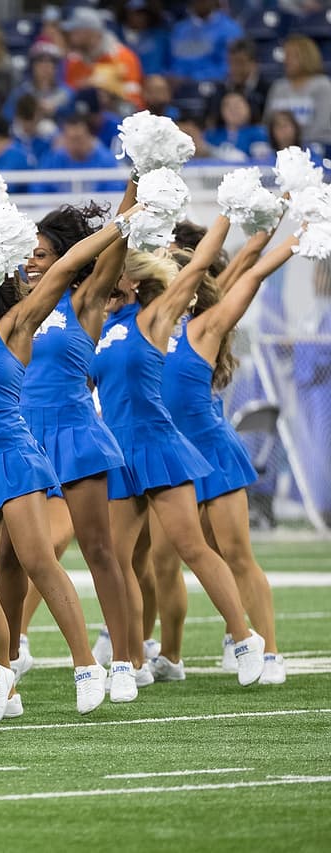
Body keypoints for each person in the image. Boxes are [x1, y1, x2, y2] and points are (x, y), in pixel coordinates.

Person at [0, 211, 138, 716]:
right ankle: (1, 682)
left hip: (14, 457)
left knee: (39, 559)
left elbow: (68, 268)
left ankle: (87, 664)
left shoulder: (14, 324)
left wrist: (123, 222)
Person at [89, 220, 267, 689]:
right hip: (118, 450)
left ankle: (245, 639)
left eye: (111, 275)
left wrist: (227, 214)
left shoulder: (154, 318)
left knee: (192, 546)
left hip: (158, 444)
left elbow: (198, 267)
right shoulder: (100, 327)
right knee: (118, 559)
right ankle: (129, 663)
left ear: (131, 280)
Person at [0, 194, 142, 703]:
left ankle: (122, 659)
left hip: (74, 434)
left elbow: (114, 248)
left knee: (101, 551)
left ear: (64, 256)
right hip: (20, 439)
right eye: (27, 254)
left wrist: (138, 178)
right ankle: (6, 664)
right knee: (11, 558)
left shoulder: (84, 301)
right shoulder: (14, 309)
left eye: (41, 253)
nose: (31, 261)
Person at [153, 231, 297, 685]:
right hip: (169, 457)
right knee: (163, 559)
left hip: (211, 451)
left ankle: (269, 651)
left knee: (235, 551)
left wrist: (292, 234)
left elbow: (249, 271)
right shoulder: (142, 330)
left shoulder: (207, 325)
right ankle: (170, 656)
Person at [62, 6, 144, 110]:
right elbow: (68, 97)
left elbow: (135, 101)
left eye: (75, 31)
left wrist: (111, 89)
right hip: (81, 119)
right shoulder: (73, 60)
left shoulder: (122, 57)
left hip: (118, 118)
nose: (71, 35)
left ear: (89, 32)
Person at [263, 35, 331, 150]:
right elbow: (268, 121)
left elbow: (321, 125)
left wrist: (294, 142)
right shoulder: (278, 87)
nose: (286, 60)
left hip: (317, 146)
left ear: (307, 57)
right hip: (281, 147)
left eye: (292, 56)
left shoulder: (322, 85)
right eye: (286, 56)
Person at [32, 114, 124, 194]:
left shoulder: (106, 160)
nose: (75, 144)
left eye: (79, 138)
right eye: (71, 139)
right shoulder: (53, 159)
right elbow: (37, 191)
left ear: (90, 136)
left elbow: (115, 192)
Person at [167, 0, 242, 85]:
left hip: (213, 86)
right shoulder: (179, 30)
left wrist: (193, 79)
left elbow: (231, 66)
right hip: (178, 88)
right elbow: (170, 63)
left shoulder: (230, 30)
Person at [204, 39, 269, 133]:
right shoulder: (220, 91)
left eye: (240, 62)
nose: (234, 68)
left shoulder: (265, 89)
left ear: (253, 63)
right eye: (231, 63)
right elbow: (211, 123)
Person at [3, 42, 71, 123]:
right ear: (32, 67)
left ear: (56, 68)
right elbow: (7, 116)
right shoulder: (21, 92)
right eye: (40, 62)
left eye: (51, 62)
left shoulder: (67, 92)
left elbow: (74, 117)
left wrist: (57, 110)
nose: (45, 67)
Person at [206, 92, 268, 163]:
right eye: (227, 106)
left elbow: (262, 162)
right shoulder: (212, 134)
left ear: (248, 108)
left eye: (237, 105)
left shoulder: (260, 133)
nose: (233, 110)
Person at [120, 0, 170, 78]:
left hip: (155, 81)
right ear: (127, 14)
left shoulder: (160, 36)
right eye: (137, 13)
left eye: (144, 13)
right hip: (128, 81)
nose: (141, 17)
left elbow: (169, 62)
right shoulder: (119, 37)